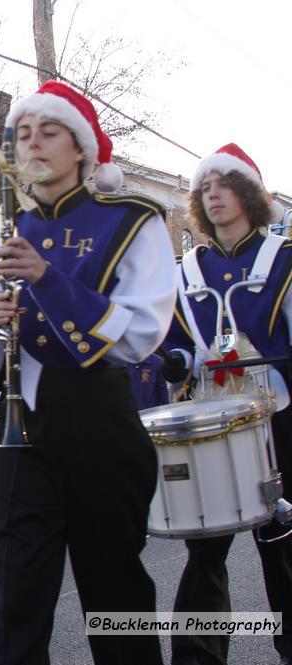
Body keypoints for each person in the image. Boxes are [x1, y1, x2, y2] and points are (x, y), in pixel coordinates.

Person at [0, 81, 174, 664]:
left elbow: (142, 333)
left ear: (79, 147)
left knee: (115, 595)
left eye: (49, 132)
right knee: (15, 599)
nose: (33, 143)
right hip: (19, 435)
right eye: (23, 134)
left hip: (100, 426)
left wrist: (49, 279)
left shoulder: (131, 221)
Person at [162, 143, 292, 665]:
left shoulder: (284, 262)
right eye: (205, 188)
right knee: (206, 541)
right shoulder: (187, 271)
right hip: (212, 418)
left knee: (280, 538)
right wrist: (177, 361)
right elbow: (177, 343)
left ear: (250, 194)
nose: (214, 196)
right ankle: (197, 656)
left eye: (225, 185)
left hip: (279, 416)